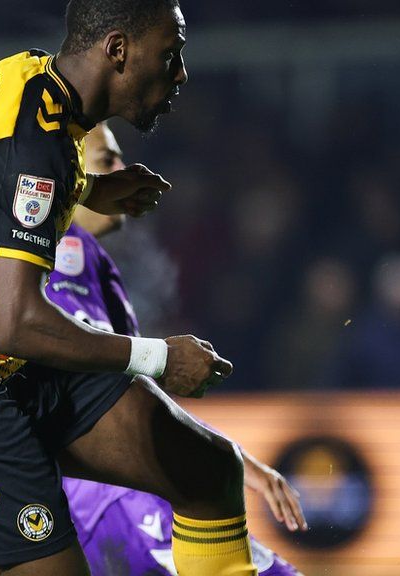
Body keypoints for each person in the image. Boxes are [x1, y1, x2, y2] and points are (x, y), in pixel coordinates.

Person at [0, 1, 303, 574]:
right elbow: (18, 323)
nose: (179, 72)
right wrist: (160, 358)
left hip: (0, 357)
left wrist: (85, 191)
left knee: (205, 469)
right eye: (170, 53)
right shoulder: (34, 153)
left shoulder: (31, 75)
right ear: (117, 49)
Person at [53, 122, 306, 576]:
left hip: (96, 503)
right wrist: (163, 356)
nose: (122, 171)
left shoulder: (85, 259)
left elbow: (133, 392)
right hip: (116, 494)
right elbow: (74, 355)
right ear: (74, 177)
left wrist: (234, 460)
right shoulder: (66, 246)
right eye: (107, 161)